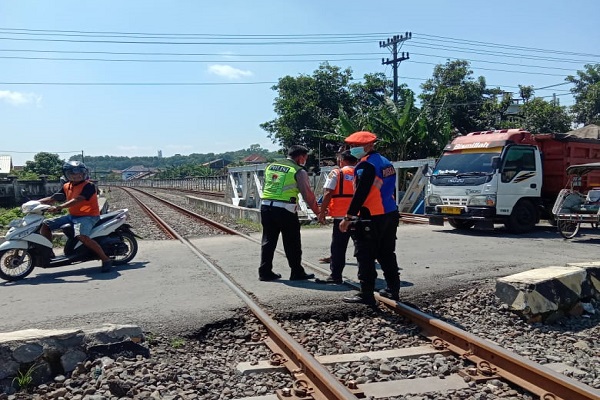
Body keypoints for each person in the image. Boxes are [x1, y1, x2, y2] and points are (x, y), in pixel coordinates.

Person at [338, 131, 401, 305]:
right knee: (387, 253)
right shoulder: (385, 162)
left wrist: (348, 217)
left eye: (354, 147)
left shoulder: (366, 166)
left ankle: (366, 294)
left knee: (365, 255)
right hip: (389, 212)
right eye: (350, 147)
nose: (352, 150)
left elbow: (361, 194)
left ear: (368, 146)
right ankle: (393, 290)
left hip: (371, 216)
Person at [258, 145, 320, 281]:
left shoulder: (271, 166)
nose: (305, 161)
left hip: (266, 206)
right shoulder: (298, 171)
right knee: (292, 242)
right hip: (285, 208)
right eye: (305, 158)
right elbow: (307, 195)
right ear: (300, 157)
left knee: (268, 240)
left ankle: (265, 272)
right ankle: (296, 272)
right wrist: (318, 212)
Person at [39, 161, 113, 273]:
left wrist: (60, 207)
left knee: (82, 236)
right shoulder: (66, 186)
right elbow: (52, 198)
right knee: (45, 225)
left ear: (84, 173)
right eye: (73, 173)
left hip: (88, 217)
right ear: (67, 174)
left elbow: (77, 200)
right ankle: (49, 252)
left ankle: (105, 259)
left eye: (80, 172)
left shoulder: (89, 186)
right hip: (72, 215)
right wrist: (34, 203)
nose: (77, 175)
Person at [316, 150, 358, 284]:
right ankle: (367, 278)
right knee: (362, 248)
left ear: (341, 160)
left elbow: (328, 193)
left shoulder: (336, 173)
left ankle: (336, 276)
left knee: (338, 248)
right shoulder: (361, 172)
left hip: (341, 217)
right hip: (359, 216)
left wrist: (322, 212)